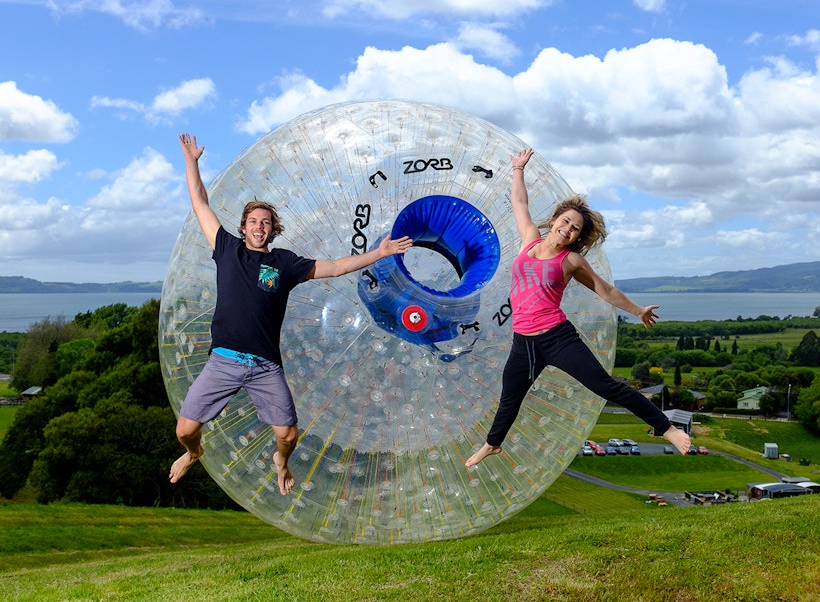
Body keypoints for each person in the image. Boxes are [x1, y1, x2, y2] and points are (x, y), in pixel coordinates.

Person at [169, 133, 413, 495]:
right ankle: (194, 453)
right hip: (223, 361)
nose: (259, 226)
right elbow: (200, 204)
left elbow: (334, 267)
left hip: (265, 364)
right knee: (184, 431)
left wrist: (379, 253)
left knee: (288, 434)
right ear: (243, 226)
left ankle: (280, 461)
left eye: (266, 222)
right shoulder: (227, 249)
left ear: (273, 228)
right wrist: (191, 162)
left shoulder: (285, 262)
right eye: (253, 221)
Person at [465, 148, 692, 468]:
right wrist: (518, 170)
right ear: (556, 219)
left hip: (557, 338)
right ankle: (493, 444)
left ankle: (665, 427)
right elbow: (519, 203)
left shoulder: (570, 261)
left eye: (574, 228)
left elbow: (606, 290)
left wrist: (637, 310)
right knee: (510, 396)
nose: (568, 228)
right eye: (566, 221)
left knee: (606, 386)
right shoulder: (530, 240)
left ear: (577, 237)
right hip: (523, 341)